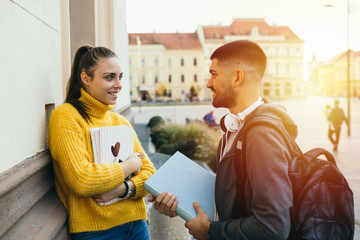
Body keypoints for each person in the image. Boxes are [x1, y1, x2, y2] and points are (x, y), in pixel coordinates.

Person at [149, 40, 298, 239]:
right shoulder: (234, 129)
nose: (208, 83)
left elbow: (272, 228)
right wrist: (180, 203)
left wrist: (210, 231)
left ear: (237, 77)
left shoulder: (261, 136)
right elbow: (233, 203)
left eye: (213, 74)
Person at [48, 45, 156, 239]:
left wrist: (124, 189)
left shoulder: (119, 121)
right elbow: (82, 179)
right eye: (109, 77)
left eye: (120, 77)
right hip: (97, 232)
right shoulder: (66, 117)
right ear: (85, 78)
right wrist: (130, 165)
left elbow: (150, 174)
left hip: (138, 226)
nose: (119, 84)